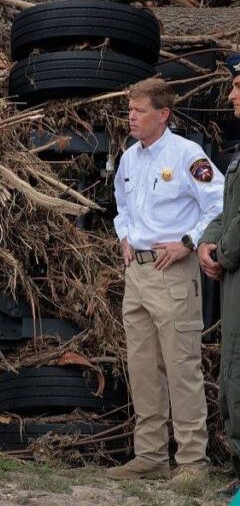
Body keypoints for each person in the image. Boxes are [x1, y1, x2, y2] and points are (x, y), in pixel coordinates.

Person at [106, 77, 223, 485]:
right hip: (136, 274)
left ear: (163, 114)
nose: (131, 117)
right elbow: (120, 203)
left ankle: (193, 462)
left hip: (171, 272)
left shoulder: (188, 155)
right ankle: (151, 455)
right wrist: (123, 236)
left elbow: (219, 203)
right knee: (142, 368)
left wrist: (189, 242)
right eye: (130, 110)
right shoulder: (130, 159)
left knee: (181, 366)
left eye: (139, 111)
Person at [198, 54, 240, 494]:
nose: (230, 94)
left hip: (235, 269)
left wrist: (221, 253)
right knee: (231, 366)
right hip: (232, 275)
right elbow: (226, 212)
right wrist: (209, 243)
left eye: (237, 86)